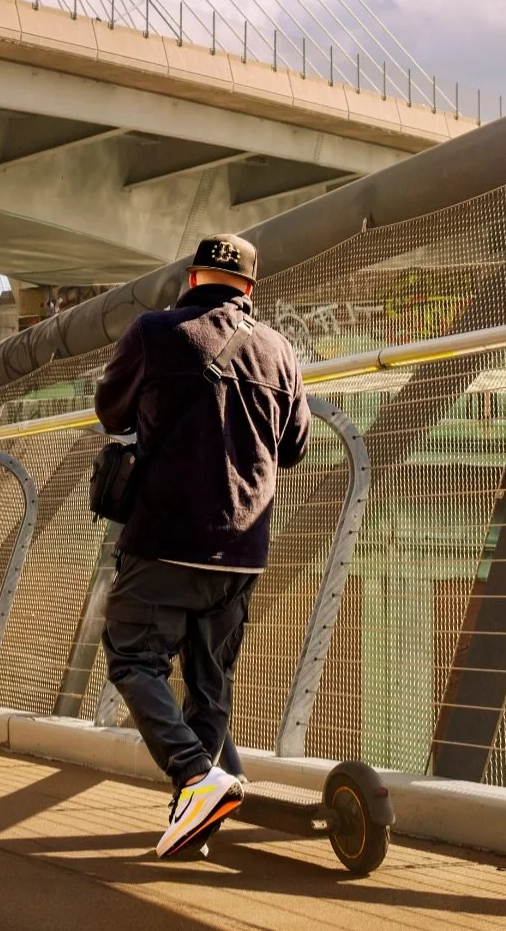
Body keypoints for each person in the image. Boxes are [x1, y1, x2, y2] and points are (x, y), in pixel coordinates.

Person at [95, 233, 310, 860]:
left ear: (192, 278)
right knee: (209, 685)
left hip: (165, 536)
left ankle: (195, 774)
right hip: (244, 546)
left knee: (134, 659)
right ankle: (195, 824)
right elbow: (293, 448)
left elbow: (112, 411)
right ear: (249, 287)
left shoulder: (154, 332)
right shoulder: (278, 349)